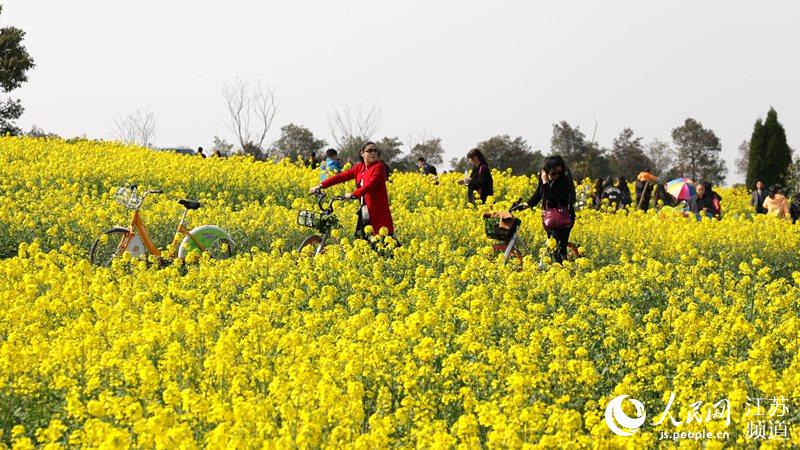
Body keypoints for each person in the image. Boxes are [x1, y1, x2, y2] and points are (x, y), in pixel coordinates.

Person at [309, 141, 394, 237]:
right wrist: (320, 185)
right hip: (365, 211)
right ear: (362, 153)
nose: (373, 153)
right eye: (369, 151)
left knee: (385, 244)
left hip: (377, 213)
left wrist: (353, 194)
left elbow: (370, 185)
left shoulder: (379, 167)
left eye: (375, 151)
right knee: (363, 242)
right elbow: (340, 177)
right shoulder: (359, 167)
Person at [520, 155, 576, 263]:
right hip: (551, 218)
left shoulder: (563, 180)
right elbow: (539, 193)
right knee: (552, 247)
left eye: (559, 173)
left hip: (563, 218)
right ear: (546, 170)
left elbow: (552, 200)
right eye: (553, 173)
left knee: (559, 250)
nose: (556, 175)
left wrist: (545, 182)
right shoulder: (543, 177)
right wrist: (527, 204)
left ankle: (562, 272)